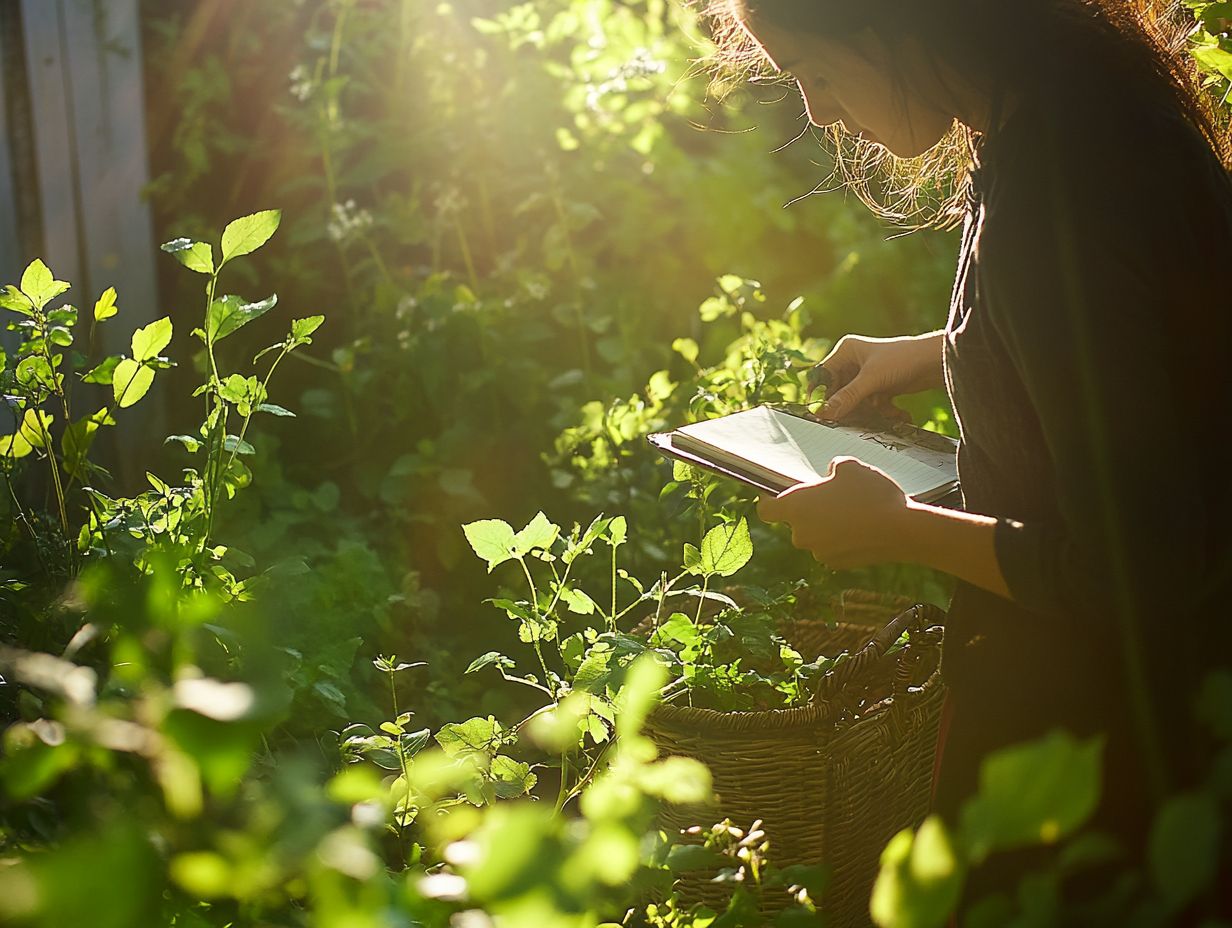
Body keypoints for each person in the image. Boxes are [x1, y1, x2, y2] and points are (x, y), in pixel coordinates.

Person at [708, 0, 1232, 899]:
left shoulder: (1053, 201)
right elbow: (1121, 345)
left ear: (897, 26)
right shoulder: (1081, 114)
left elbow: (1131, 563)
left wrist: (899, 528)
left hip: (1097, 753)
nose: (820, 114)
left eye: (816, 74)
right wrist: (941, 351)